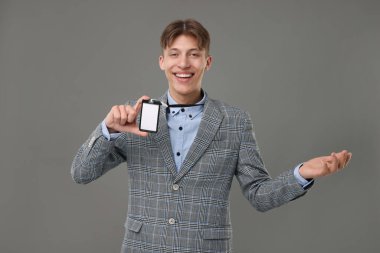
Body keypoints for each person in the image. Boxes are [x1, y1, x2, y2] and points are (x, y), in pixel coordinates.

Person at [71, 19, 352, 253]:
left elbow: (259, 195)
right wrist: (107, 130)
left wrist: (301, 173)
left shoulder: (234, 122)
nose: (184, 63)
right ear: (162, 61)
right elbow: (81, 173)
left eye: (194, 54)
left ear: (208, 61)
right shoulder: (136, 117)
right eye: (174, 54)